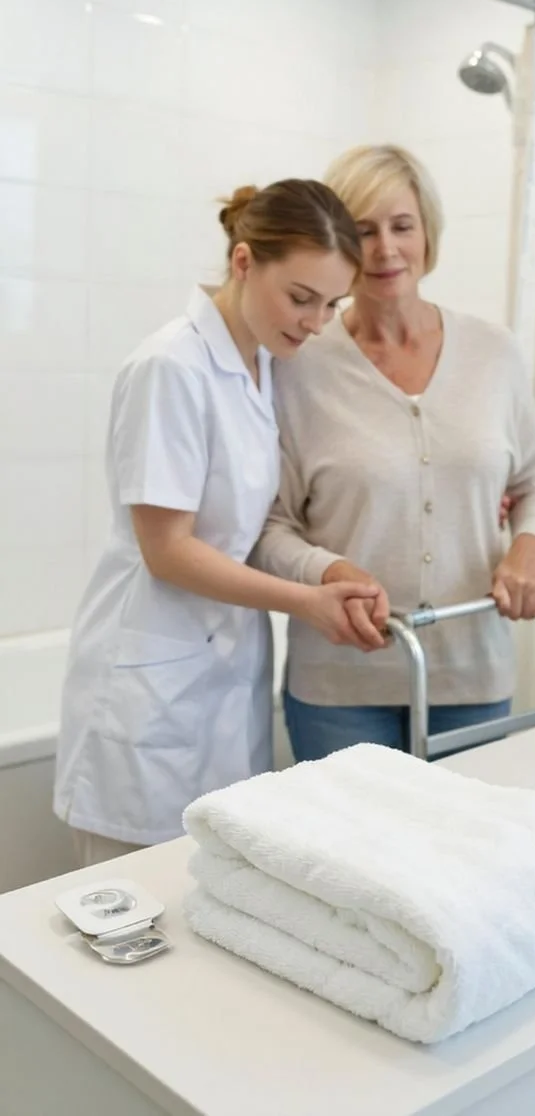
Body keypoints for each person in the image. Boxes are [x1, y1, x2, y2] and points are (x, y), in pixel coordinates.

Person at [54, 179, 384, 866]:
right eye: (300, 298)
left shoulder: (261, 365)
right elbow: (168, 551)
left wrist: (328, 570)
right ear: (242, 262)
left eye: (331, 304)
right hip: (150, 686)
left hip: (222, 677)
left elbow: (251, 522)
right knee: (127, 915)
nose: (315, 322)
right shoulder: (170, 366)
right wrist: (307, 604)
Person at [253, 146, 535, 761]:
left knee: (464, 853)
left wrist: (529, 549)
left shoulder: (493, 353)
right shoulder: (297, 364)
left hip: (471, 671)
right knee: (348, 858)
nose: (386, 250)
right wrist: (327, 571)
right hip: (340, 683)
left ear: (428, 233)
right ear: (338, 242)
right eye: (363, 231)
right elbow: (268, 526)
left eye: (402, 226)